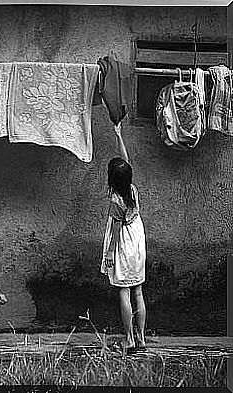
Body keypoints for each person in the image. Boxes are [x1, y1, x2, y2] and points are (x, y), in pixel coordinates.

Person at [101, 124, 147, 355]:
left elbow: (116, 231)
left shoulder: (116, 201)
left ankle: (129, 339)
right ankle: (141, 337)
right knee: (138, 291)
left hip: (125, 243)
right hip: (138, 237)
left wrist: (110, 254)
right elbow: (125, 160)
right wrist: (119, 135)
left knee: (124, 291)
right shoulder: (132, 188)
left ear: (112, 179)